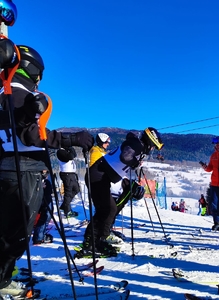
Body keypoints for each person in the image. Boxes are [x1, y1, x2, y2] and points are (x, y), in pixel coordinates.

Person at [0, 44, 94, 298]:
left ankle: (4, 272)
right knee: (17, 232)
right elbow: (30, 135)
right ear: (32, 69)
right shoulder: (18, 92)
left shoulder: (5, 90)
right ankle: (2, 279)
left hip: (8, 167)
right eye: (39, 74)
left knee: (8, 228)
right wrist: (71, 139)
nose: (40, 80)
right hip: (23, 170)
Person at [76, 127, 164, 258]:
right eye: (152, 147)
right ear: (150, 143)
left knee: (108, 210)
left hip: (102, 176)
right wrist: (135, 162)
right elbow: (125, 156)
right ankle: (90, 244)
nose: (151, 150)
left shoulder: (136, 144)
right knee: (106, 210)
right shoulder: (137, 145)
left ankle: (97, 241)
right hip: (98, 175)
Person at [57, 146, 80, 217]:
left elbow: (74, 155)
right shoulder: (60, 151)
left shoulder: (66, 150)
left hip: (71, 174)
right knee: (68, 193)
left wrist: (70, 148)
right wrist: (70, 148)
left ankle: (64, 205)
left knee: (76, 190)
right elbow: (70, 157)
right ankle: (67, 211)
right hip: (66, 174)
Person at [32, 170, 53, 245]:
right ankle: (39, 237)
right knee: (45, 216)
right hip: (42, 194)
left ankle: (39, 236)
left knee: (46, 215)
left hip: (44, 192)